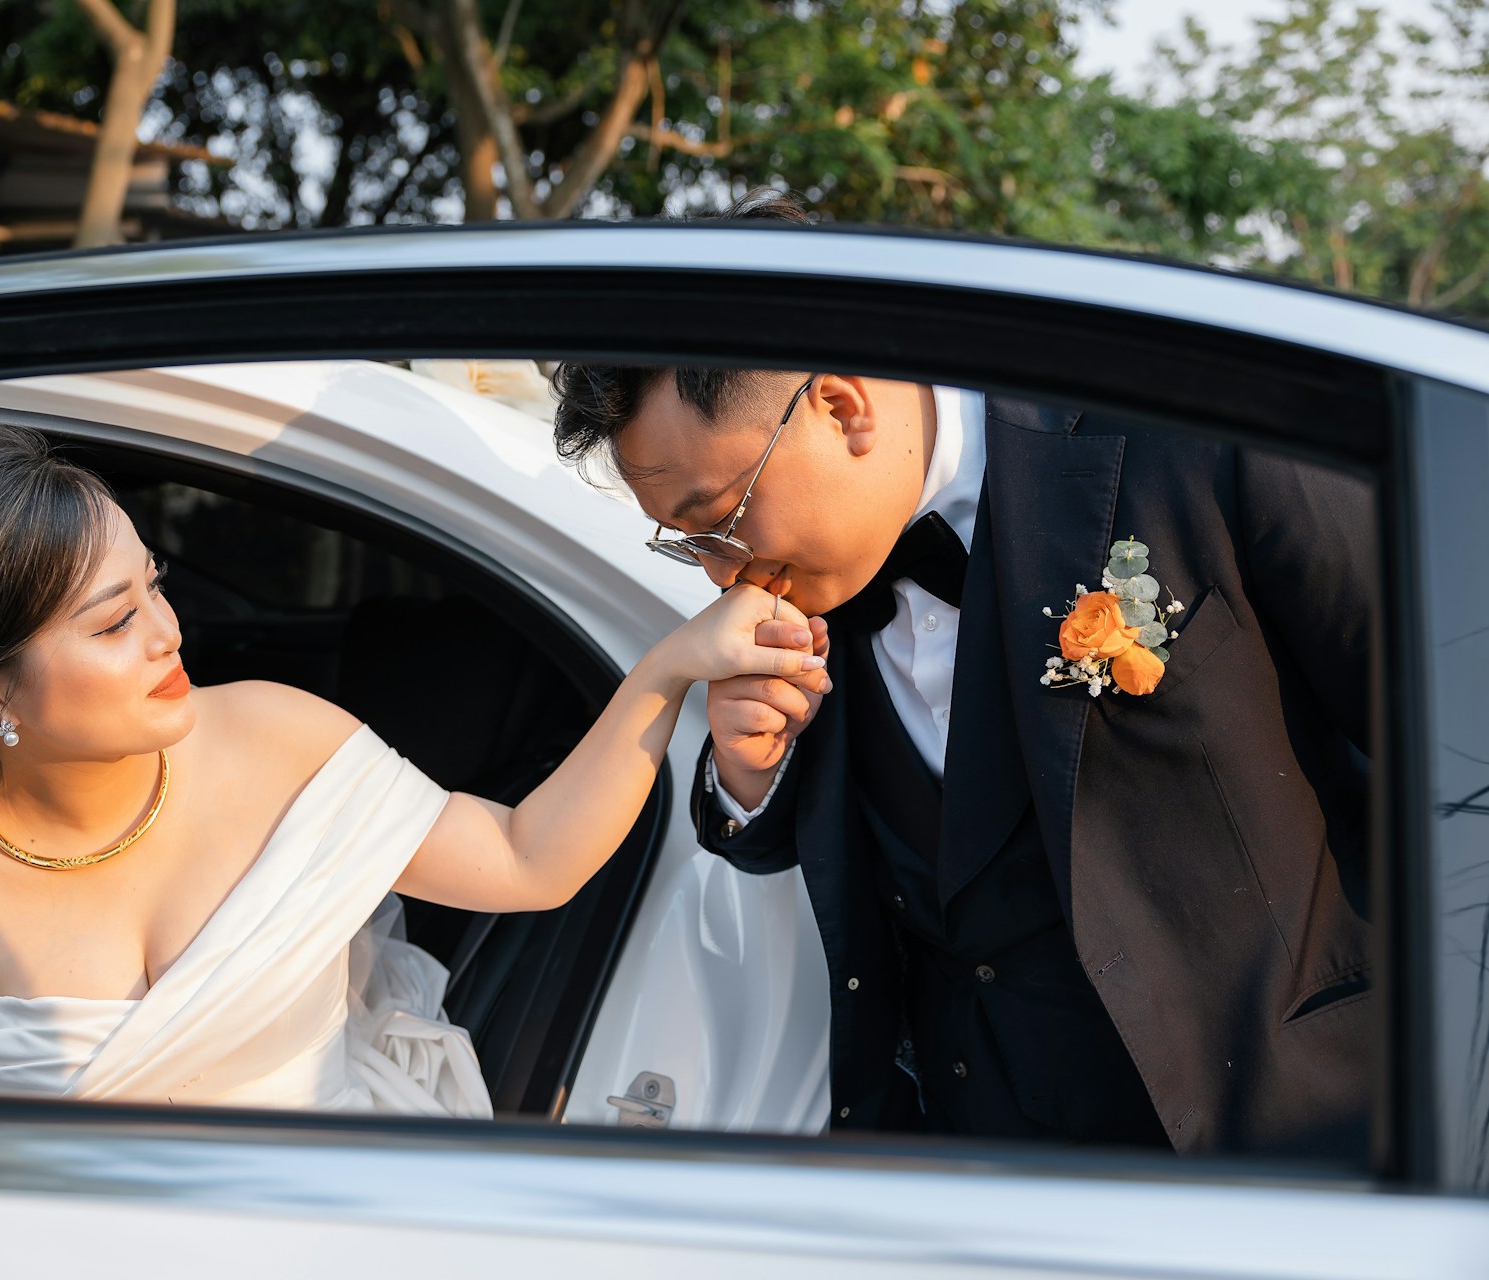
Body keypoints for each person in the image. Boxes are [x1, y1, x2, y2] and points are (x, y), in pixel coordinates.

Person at [547, 191, 1375, 1158]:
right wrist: (748, 771)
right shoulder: (806, 584)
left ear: (841, 405)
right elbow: (810, 854)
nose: (727, 576)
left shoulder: (1185, 429)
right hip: (971, 1154)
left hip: (1280, 1129)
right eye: (689, 546)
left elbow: (1453, 751)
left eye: (721, 521)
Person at [0, 421, 820, 1115]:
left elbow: (524, 855)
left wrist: (670, 668)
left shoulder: (271, 736)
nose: (167, 631)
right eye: (112, 621)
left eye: (152, 585)